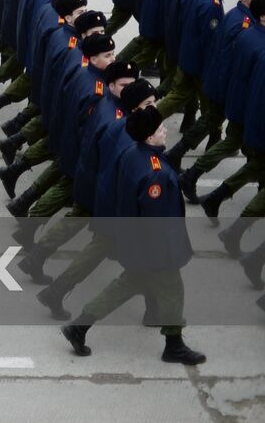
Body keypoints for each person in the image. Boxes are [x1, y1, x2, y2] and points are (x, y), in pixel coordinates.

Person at [60, 103, 205, 365]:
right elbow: (156, 221)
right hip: (156, 249)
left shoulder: (132, 154)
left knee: (124, 286)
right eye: (160, 128)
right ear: (149, 136)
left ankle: (79, 326)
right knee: (173, 291)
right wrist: (164, 254)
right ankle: (174, 345)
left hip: (137, 244)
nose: (164, 130)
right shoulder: (156, 174)